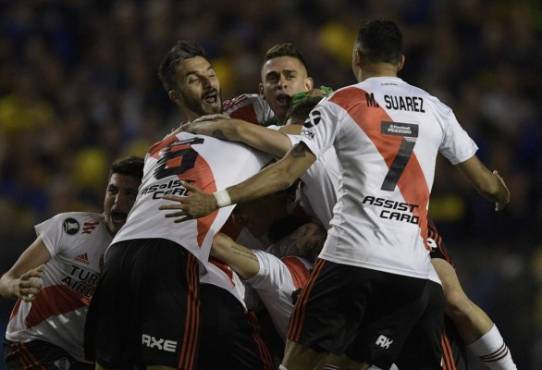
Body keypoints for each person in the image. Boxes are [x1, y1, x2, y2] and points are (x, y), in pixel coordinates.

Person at [160, 20, 511, 370]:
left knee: (298, 361)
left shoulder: (338, 104)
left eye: (291, 77)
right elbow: (485, 183)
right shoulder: (436, 108)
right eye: (273, 79)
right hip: (409, 264)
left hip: (353, 258)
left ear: (355, 56)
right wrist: (500, 192)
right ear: (401, 61)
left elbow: (286, 167)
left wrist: (217, 197)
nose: (283, 85)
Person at [84, 41, 272, 370]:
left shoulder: (162, 146)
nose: (209, 82)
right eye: (193, 79)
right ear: (175, 95)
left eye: (210, 73)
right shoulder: (239, 127)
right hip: (168, 253)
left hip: (122, 252)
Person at [0, 156, 143, 370]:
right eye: (112, 190)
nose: (117, 201)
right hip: (33, 342)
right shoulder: (70, 227)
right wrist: (17, 286)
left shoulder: (143, 253)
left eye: (129, 193)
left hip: (86, 358)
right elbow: (6, 280)